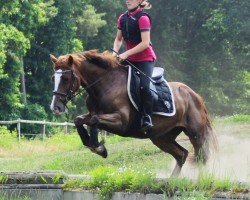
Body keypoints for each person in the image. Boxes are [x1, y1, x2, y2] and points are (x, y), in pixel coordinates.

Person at [113, 0, 156, 134]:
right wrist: (114, 53)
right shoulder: (122, 18)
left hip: (145, 59)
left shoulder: (143, 18)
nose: (127, 1)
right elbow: (119, 39)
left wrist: (125, 53)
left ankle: (146, 116)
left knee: (144, 86)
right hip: (129, 58)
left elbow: (145, 43)